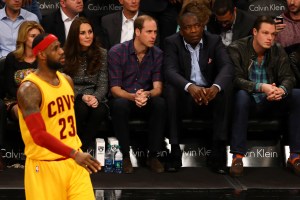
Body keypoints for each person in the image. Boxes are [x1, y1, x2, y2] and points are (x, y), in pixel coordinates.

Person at [17, 33, 101, 199]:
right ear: (41, 54)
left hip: (74, 164)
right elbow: (39, 136)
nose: (62, 51)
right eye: (55, 49)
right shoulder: (29, 89)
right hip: (45, 167)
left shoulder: (67, 80)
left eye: (60, 46)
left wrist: (75, 153)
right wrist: (74, 154)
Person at [163, 2, 234, 173]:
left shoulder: (214, 40)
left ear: (203, 26)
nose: (193, 30)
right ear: (181, 30)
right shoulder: (172, 42)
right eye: (188, 27)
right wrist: (189, 87)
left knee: (226, 89)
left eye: (197, 26)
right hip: (185, 97)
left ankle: (218, 153)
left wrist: (215, 87)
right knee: (171, 90)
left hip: (209, 95)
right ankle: (174, 151)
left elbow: (227, 67)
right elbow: (169, 71)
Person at [227, 15, 300, 177]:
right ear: (254, 32)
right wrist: (261, 88)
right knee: (241, 96)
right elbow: (235, 79)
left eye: (273, 34)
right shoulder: (236, 48)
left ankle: (295, 156)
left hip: (271, 101)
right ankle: (237, 157)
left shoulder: (277, 50)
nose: (270, 38)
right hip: (249, 101)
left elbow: (289, 77)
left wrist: (281, 90)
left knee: (297, 95)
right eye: (265, 33)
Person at [108, 15, 166, 174]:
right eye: (149, 32)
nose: (153, 36)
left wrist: (147, 94)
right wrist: (133, 97)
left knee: (160, 103)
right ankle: (125, 156)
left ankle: (153, 156)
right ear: (137, 32)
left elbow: (158, 87)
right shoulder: (117, 52)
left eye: (155, 32)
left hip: (145, 99)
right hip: (125, 98)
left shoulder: (157, 54)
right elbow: (115, 88)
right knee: (119, 105)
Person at [63, 17, 109, 151]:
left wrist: (96, 97)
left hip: (94, 95)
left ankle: (82, 149)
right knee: (81, 108)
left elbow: (103, 83)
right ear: (74, 35)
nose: (88, 36)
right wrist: (80, 96)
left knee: (99, 110)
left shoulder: (102, 53)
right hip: (73, 96)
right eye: (82, 33)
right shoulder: (64, 54)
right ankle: (72, 147)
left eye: (90, 32)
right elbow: (62, 83)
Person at [4, 21, 44, 121]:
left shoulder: (44, 58)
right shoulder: (12, 58)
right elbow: (9, 87)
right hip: (16, 100)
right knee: (26, 112)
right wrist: (26, 99)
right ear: (24, 38)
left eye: (39, 36)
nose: (37, 39)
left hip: (42, 100)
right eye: (33, 36)